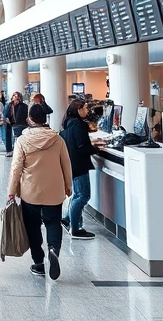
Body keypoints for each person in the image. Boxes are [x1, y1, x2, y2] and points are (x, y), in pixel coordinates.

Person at [8, 104, 72, 279]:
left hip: (31, 191)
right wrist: (68, 186)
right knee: (53, 223)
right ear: (45, 119)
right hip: (54, 189)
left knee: (32, 226)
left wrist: (12, 190)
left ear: (30, 119)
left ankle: (38, 262)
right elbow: (66, 164)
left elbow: (16, 168)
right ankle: (53, 250)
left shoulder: (22, 140)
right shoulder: (57, 139)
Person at [60, 99, 101, 239]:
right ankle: (75, 228)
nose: (86, 111)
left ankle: (69, 219)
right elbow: (82, 147)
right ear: (78, 109)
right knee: (83, 195)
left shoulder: (68, 124)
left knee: (77, 195)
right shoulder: (79, 125)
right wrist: (96, 148)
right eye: (84, 108)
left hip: (72, 164)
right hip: (79, 165)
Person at [2, 92, 28, 157]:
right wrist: (6, 119)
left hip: (20, 124)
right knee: (9, 136)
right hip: (10, 123)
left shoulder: (23, 106)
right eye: (14, 95)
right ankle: (9, 150)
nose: (15, 97)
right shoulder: (9, 105)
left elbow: (25, 115)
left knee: (19, 138)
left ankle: (19, 151)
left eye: (16, 96)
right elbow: (5, 114)